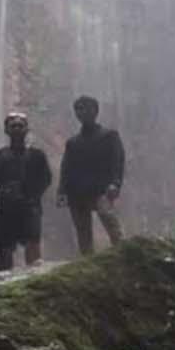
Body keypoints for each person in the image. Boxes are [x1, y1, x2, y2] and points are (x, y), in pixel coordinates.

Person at [56, 94, 125, 255]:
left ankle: (123, 253)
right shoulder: (73, 142)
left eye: (85, 108)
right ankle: (87, 260)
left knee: (108, 218)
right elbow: (66, 168)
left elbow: (118, 161)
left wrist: (116, 183)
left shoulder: (109, 136)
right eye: (78, 109)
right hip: (77, 191)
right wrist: (61, 191)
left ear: (95, 111)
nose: (81, 113)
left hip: (102, 188)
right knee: (82, 231)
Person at [0, 111, 52, 271]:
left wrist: (33, 194)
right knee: (5, 247)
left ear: (27, 129)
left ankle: (34, 277)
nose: (17, 129)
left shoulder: (37, 155)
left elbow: (46, 179)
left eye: (20, 126)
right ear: (6, 130)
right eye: (13, 126)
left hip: (30, 205)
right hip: (5, 205)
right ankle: (3, 281)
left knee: (32, 242)